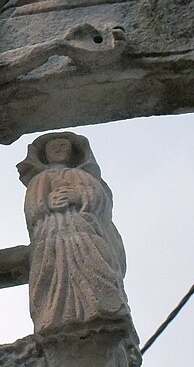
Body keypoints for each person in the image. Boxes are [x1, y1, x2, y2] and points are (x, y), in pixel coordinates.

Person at [18, 132, 130, 335]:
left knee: (92, 263)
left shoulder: (82, 176)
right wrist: (48, 204)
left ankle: (101, 307)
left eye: (63, 146)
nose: (58, 150)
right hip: (51, 230)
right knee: (53, 270)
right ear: (45, 155)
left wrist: (77, 196)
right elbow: (33, 208)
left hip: (83, 227)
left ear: (72, 152)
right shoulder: (40, 179)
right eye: (53, 148)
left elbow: (99, 200)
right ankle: (53, 316)